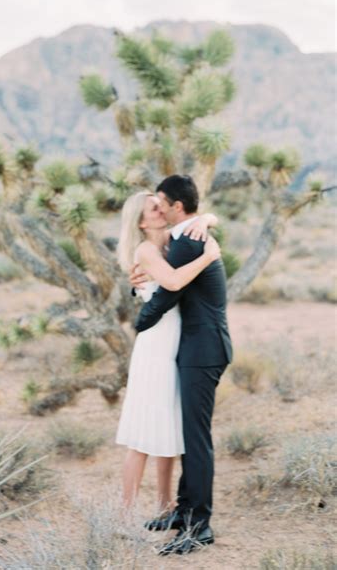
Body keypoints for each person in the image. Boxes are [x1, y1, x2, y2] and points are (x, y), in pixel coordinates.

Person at [132, 175, 233, 556]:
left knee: (196, 439)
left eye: (161, 202)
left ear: (177, 207)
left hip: (203, 350)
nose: (157, 208)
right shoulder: (189, 234)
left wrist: (140, 320)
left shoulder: (190, 241)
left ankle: (199, 526)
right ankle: (184, 510)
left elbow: (165, 298)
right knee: (189, 433)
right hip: (197, 347)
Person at [115, 190, 221, 513]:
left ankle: (165, 505)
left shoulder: (171, 245)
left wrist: (204, 219)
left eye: (161, 203)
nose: (161, 209)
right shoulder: (146, 250)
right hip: (156, 348)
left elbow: (208, 216)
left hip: (177, 343)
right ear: (142, 222)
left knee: (169, 427)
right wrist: (208, 256)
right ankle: (123, 515)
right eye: (153, 207)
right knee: (143, 433)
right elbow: (174, 283)